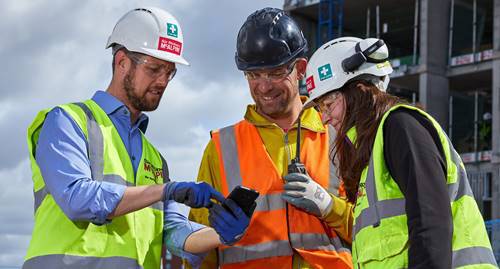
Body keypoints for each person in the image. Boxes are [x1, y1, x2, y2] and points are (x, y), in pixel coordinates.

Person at [23, 7, 250, 269]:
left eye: (170, 72)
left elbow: (174, 234)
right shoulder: (67, 121)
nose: (163, 81)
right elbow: (77, 199)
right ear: (122, 62)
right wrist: (167, 190)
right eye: (154, 68)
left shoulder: (155, 158)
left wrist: (222, 234)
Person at [298, 36, 498, 268]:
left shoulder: (400, 127)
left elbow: (430, 224)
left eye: (328, 105)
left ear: (359, 89)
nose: (323, 118)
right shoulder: (372, 155)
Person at [187, 7, 353, 269]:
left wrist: (329, 206)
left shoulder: (338, 135)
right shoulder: (221, 147)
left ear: (300, 69)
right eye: (254, 75)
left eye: (275, 73)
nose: (264, 86)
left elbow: (371, 226)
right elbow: (196, 244)